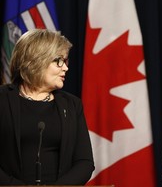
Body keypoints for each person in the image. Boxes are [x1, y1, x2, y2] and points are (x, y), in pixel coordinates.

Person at [0, 29, 94, 185]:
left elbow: (84, 162)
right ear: (36, 60)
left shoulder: (72, 105)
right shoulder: (3, 99)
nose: (65, 68)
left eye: (66, 61)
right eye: (59, 61)